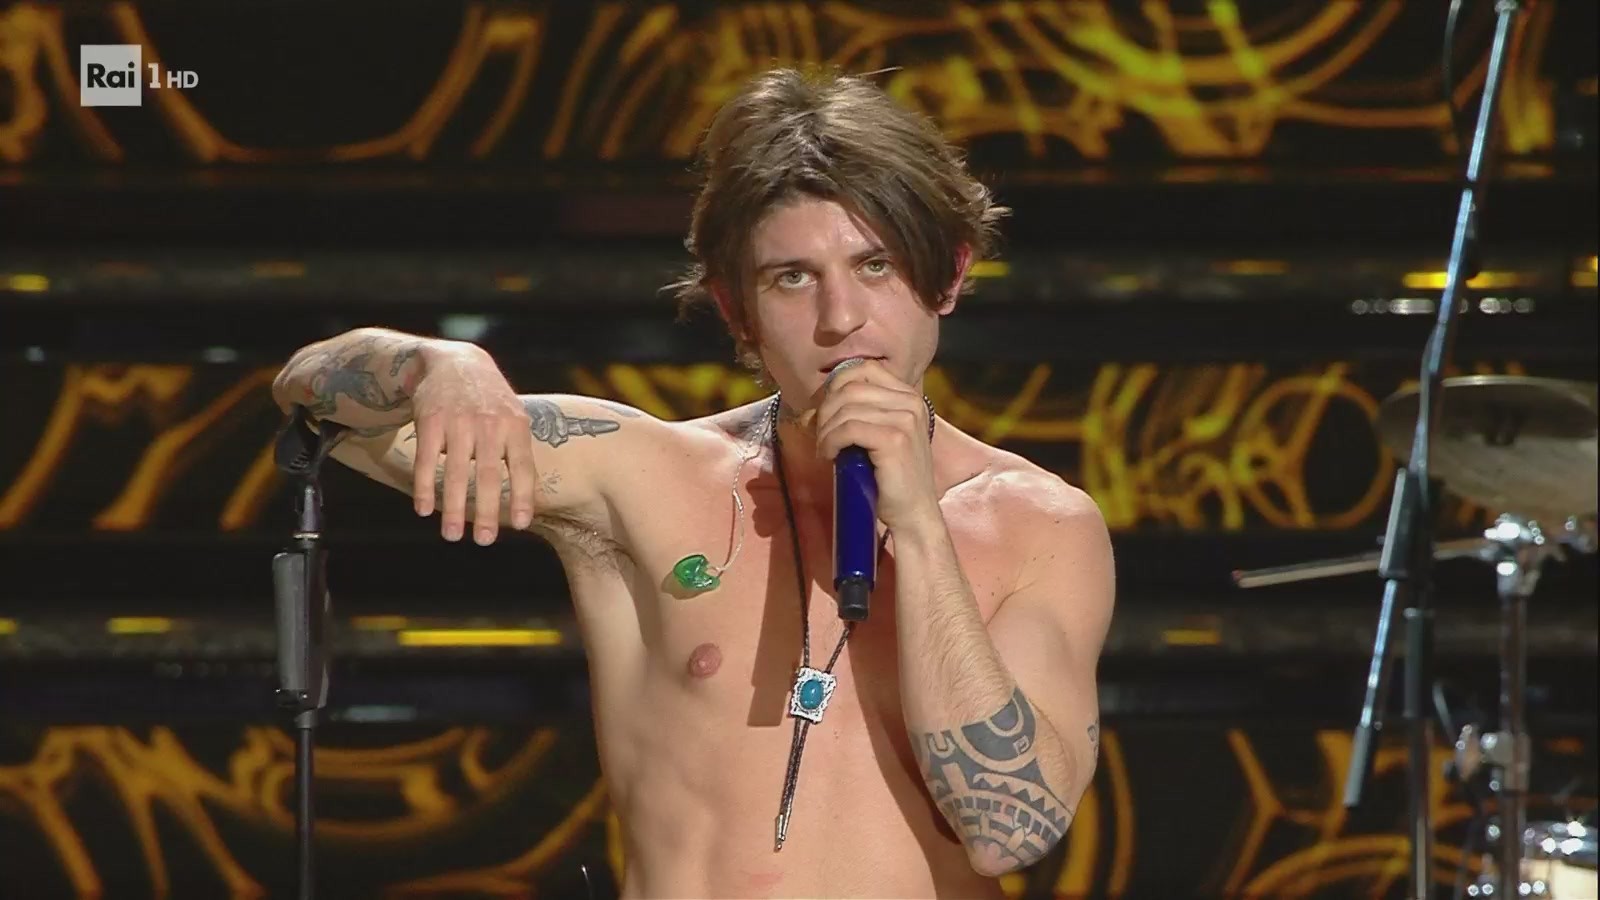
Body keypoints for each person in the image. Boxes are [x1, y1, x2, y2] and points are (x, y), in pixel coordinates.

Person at [272, 65, 1115, 900]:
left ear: (950, 274)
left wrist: (920, 529)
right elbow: (313, 398)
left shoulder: (1041, 527)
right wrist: (434, 365)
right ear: (736, 309)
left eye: (876, 266)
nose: (841, 318)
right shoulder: (645, 475)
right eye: (792, 277)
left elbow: (1009, 834)